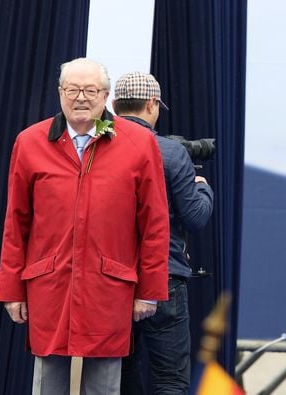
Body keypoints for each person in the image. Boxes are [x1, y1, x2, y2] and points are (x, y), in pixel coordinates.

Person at [0, 59, 170, 395]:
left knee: (104, 385)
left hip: (110, 285)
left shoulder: (138, 143)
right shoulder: (30, 141)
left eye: (90, 90)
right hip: (49, 282)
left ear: (105, 96)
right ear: (60, 93)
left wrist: (150, 289)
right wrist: (11, 289)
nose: (80, 98)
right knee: (48, 382)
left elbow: (154, 223)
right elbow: (16, 222)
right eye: (72, 89)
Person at [112, 71, 214, 394]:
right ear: (153, 105)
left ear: (114, 105)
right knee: (170, 379)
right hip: (165, 278)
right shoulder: (171, 153)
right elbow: (195, 218)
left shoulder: (98, 148)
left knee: (120, 369)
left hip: (112, 277)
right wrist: (203, 188)